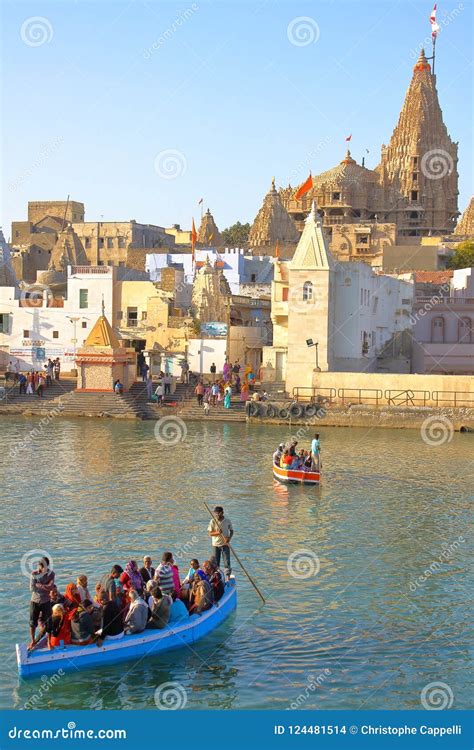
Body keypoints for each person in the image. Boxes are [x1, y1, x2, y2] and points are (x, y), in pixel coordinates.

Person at [28, 556, 55, 650]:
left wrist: (38, 584)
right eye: (40, 566)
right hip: (35, 601)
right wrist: (45, 586)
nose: (41, 569)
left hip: (46, 601)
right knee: (32, 622)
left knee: (49, 623)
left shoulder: (51, 574)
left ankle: (49, 642)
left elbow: (51, 587)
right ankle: (33, 641)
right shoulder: (34, 574)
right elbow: (32, 589)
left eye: (44, 566)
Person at [208, 506, 233, 580]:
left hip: (225, 544)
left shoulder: (227, 521)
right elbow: (210, 533)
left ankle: (228, 578)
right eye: (216, 514)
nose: (217, 516)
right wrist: (217, 533)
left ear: (222, 513)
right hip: (215, 545)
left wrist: (229, 538)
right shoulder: (213, 521)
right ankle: (217, 578)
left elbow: (231, 531)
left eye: (219, 514)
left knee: (227, 562)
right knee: (216, 563)